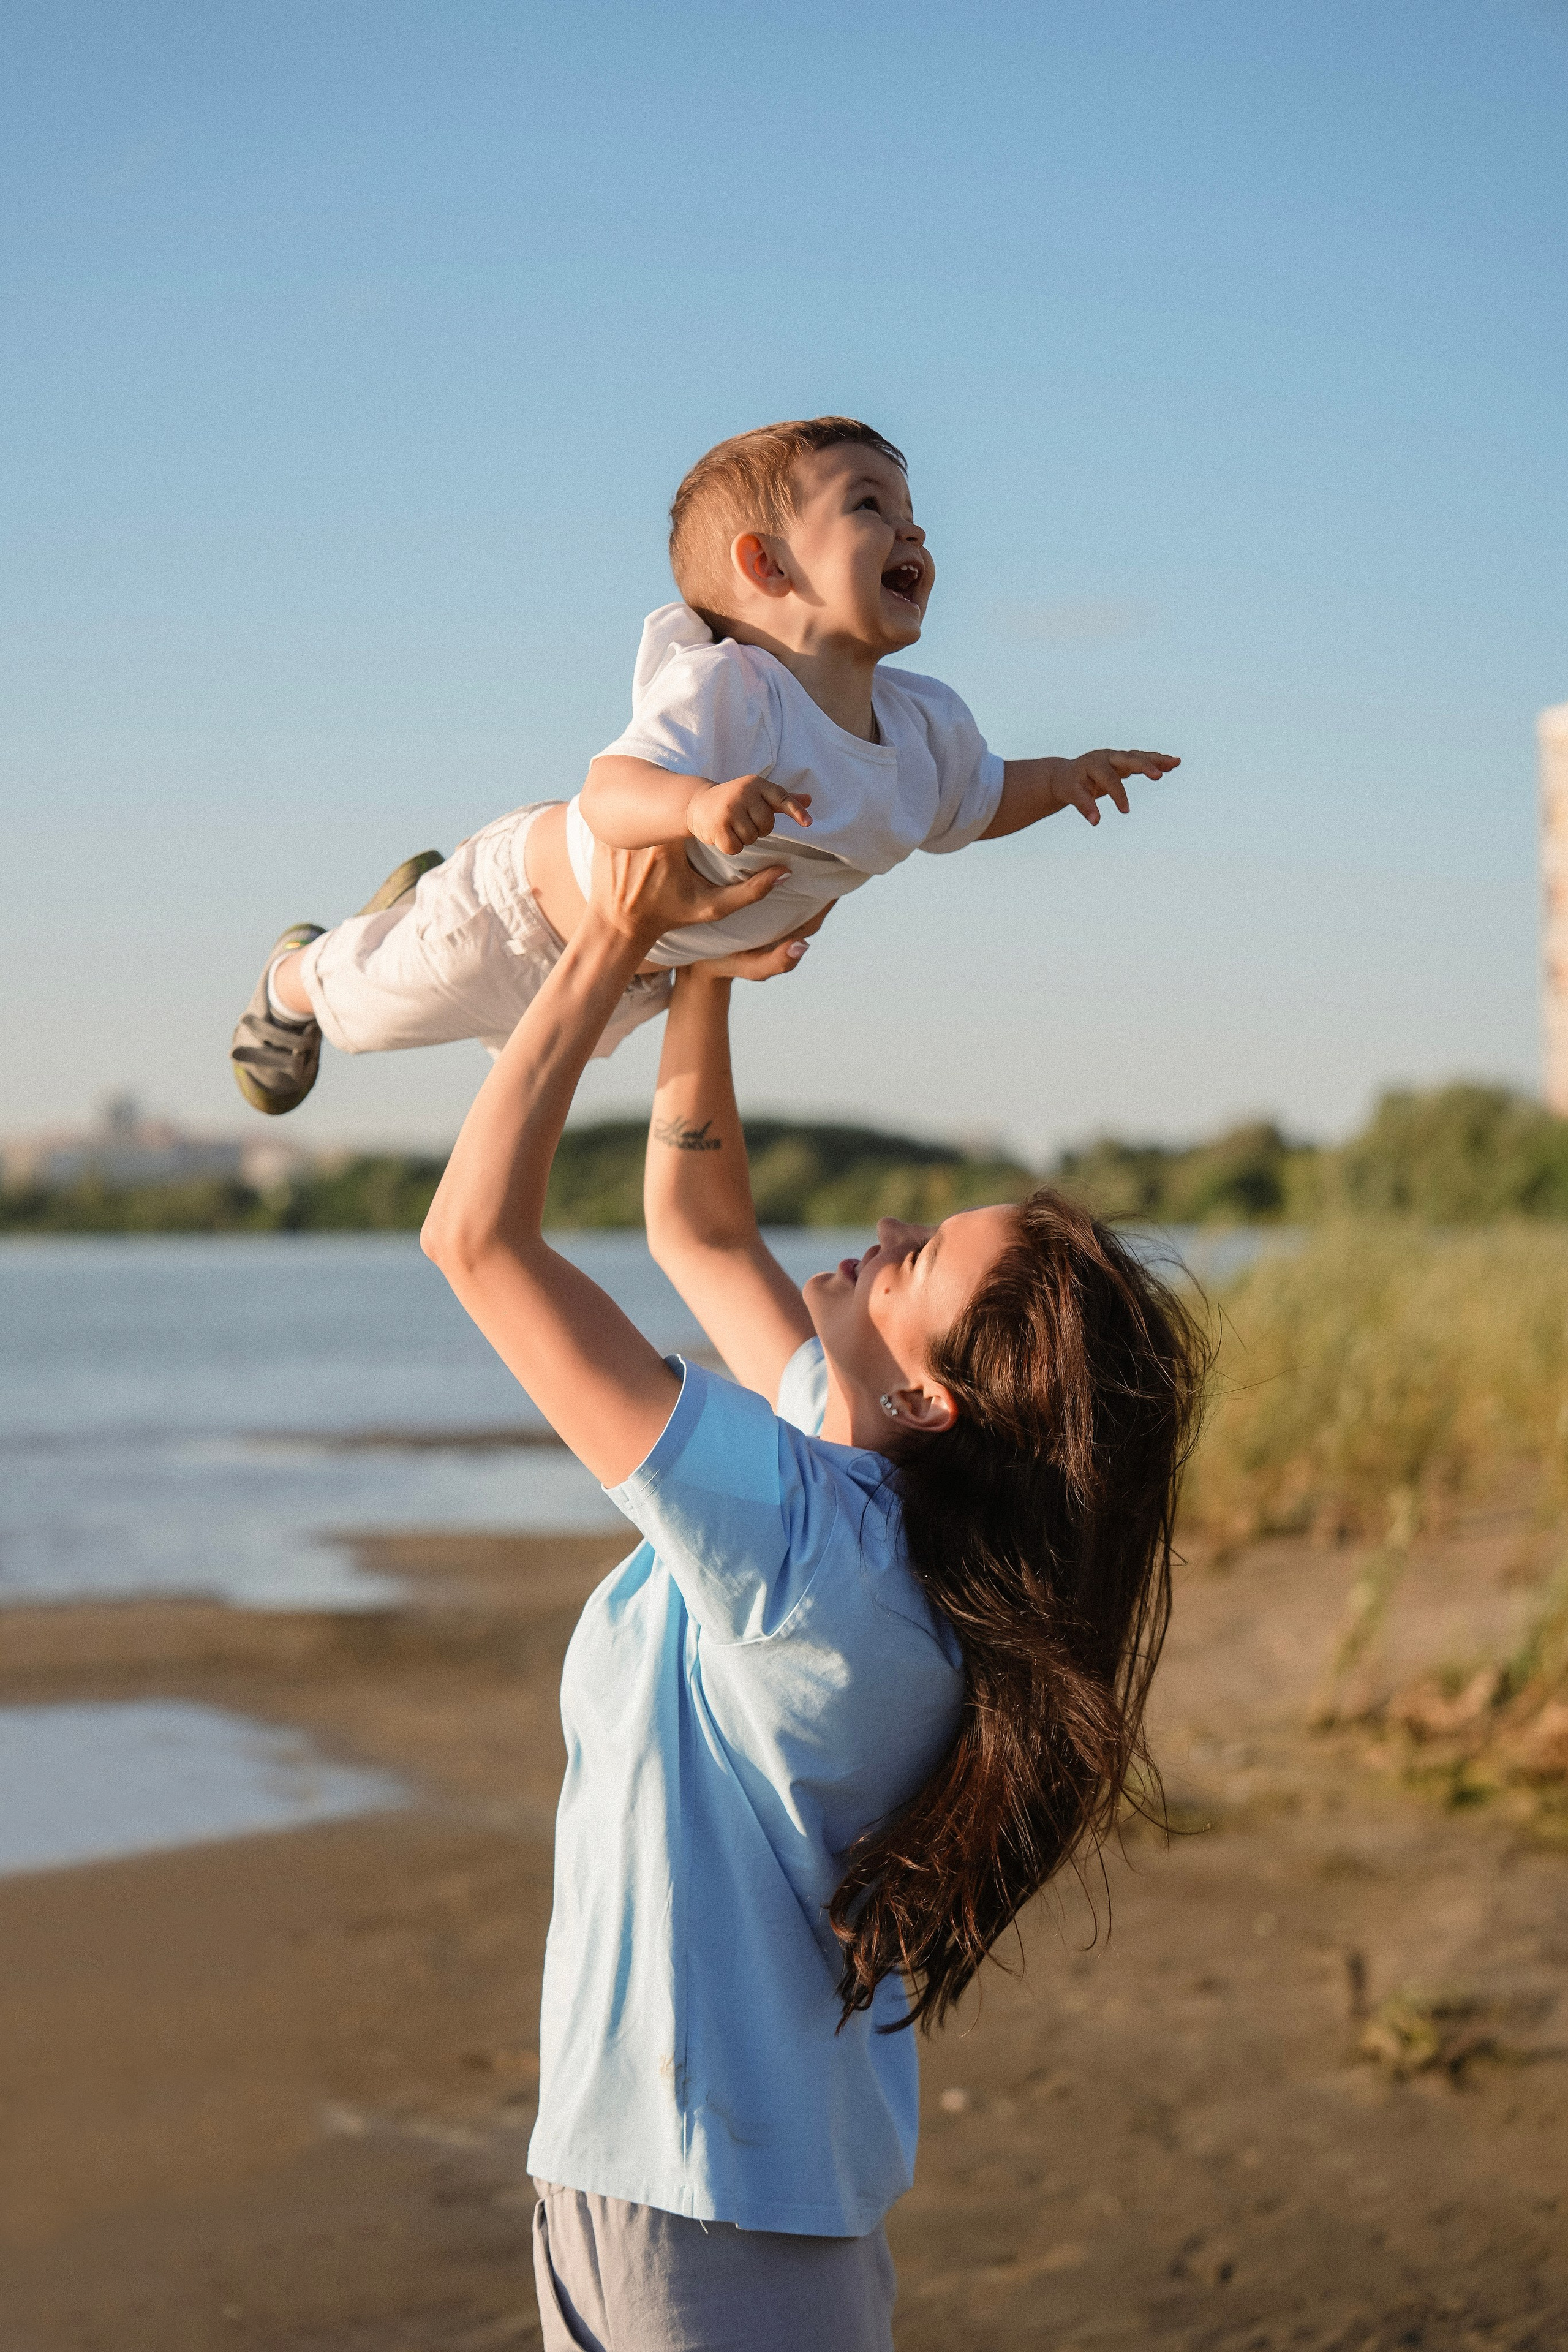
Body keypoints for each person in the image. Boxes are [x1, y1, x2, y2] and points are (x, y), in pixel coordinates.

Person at [420, 837, 1207, 2351]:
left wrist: (608, 950)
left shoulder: (808, 1545)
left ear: (931, 1407)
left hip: (687, 2199)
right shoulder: (867, 1500)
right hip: (746, 2187)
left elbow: (477, 1241)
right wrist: (710, 969)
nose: (892, 1235)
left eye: (919, 1268)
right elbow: (696, 1231)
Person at [232, 415, 1178, 1114]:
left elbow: (981, 798)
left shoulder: (924, 726)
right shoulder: (733, 691)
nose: (915, 533)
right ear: (766, 567)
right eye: (871, 508)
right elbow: (609, 794)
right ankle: (291, 977)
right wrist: (695, 804)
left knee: (537, 1053)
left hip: (646, 964)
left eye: (914, 514)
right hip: (518, 918)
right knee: (370, 1006)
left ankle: (390, 921)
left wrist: (1065, 778)